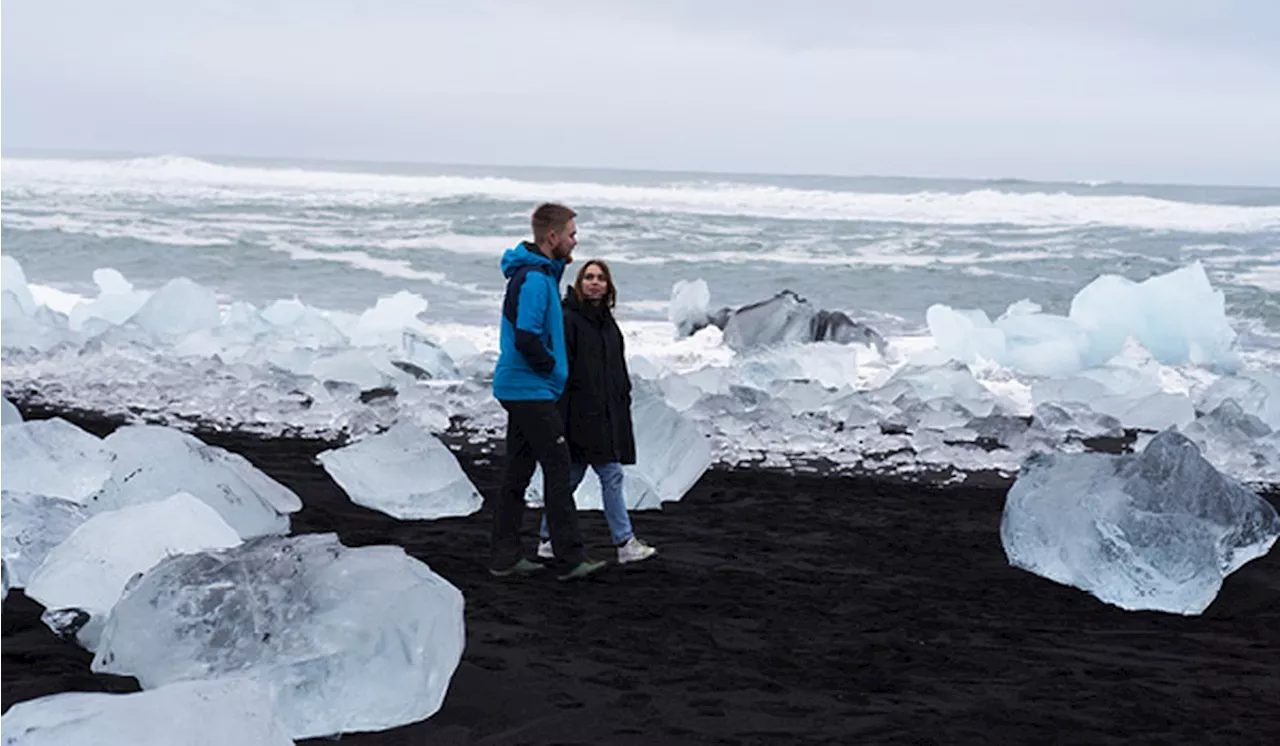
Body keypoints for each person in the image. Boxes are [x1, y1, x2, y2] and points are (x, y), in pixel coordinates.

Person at [489, 203, 607, 581]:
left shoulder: (538, 275)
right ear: (552, 237)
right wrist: (551, 368)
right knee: (558, 469)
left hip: (525, 387)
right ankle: (571, 559)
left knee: (518, 472)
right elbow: (526, 336)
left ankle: (505, 558)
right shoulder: (535, 279)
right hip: (529, 389)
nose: (576, 240)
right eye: (571, 233)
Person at [536, 259, 658, 565]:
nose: (594, 282)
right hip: (580, 414)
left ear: (608, 286)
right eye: (589, 277)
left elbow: (615, 367)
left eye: (600, 278)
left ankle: (547, 539)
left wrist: (623, 396)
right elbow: (563, 369)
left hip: (607, 412)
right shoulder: (569, 319)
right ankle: (624, 543)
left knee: (572, 478)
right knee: (611, 474)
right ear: (580, 283)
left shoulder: (607, 322)